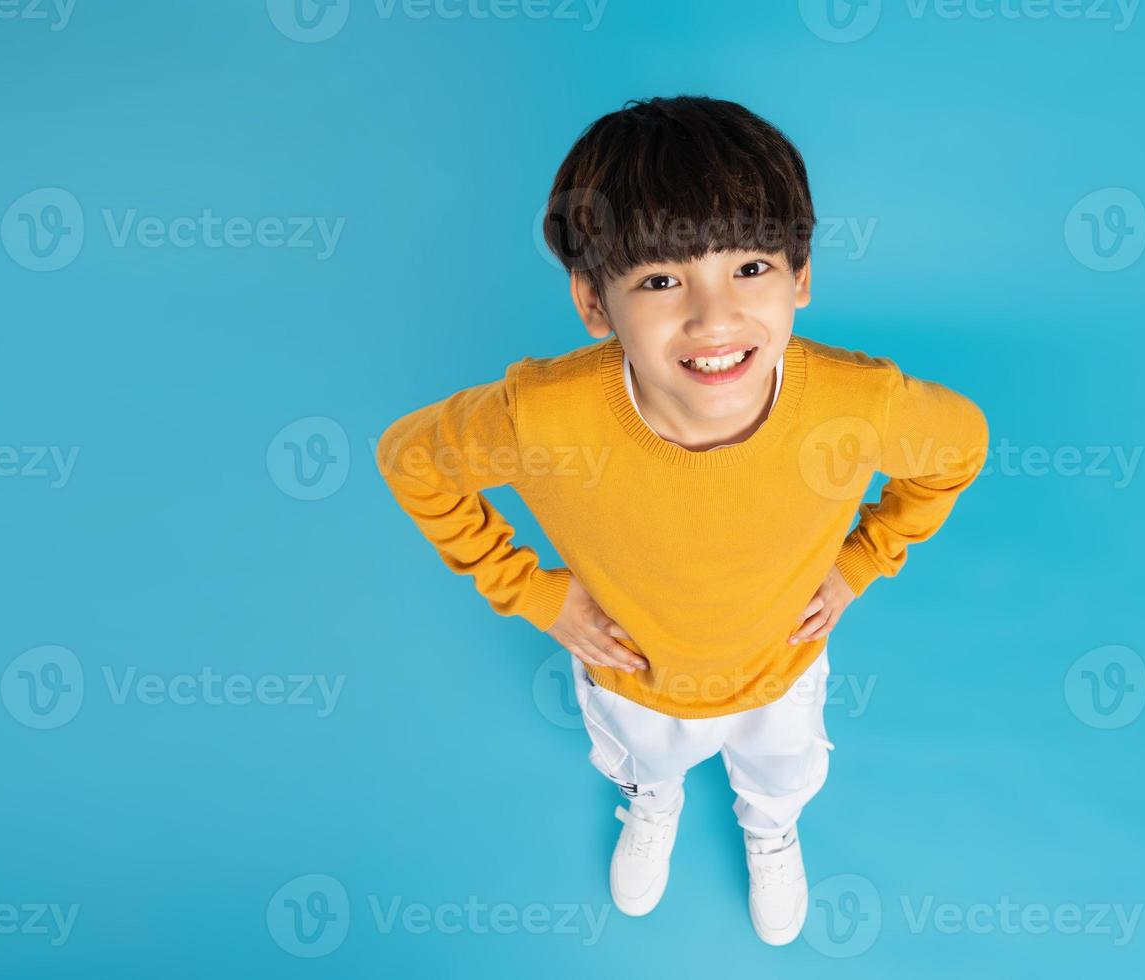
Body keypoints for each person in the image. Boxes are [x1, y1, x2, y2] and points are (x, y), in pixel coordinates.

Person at [375, 94, 988, 946]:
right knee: (651, 759)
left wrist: (863, 561)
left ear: (801, 276)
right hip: (633, 672)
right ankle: (652, 800)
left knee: (783, 769)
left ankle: (770, 829)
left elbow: (960, 447)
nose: (715, 319)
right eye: (661, 280)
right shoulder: (543, 419)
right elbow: (411, 460)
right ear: (595, 304)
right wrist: (532, 595)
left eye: (750, 268)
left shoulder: (859, 405)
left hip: (784, 663)